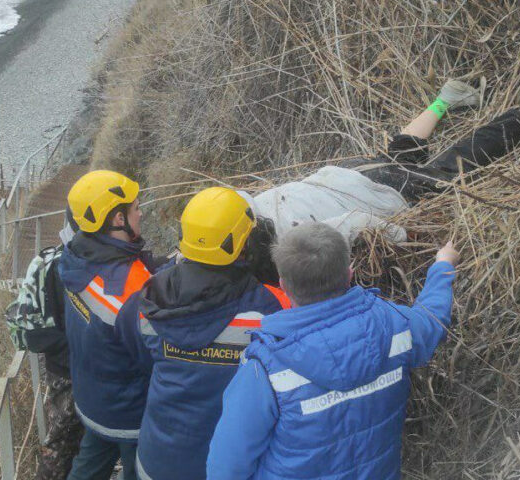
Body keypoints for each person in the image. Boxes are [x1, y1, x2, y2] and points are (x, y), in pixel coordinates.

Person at [207, 222, 460, 479]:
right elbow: (431, 321)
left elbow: (227, 466)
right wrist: (443, 266)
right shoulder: (395, 325)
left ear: (283, 284)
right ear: (350, 273)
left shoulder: (265, 369)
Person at [239, 79, 520, 282]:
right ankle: (446, 99)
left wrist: (405, 236)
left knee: (448, 172)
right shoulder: (238, 208)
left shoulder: (291, 243)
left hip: (375, 190)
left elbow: (357, 220)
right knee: (399, 156)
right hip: (342, 174)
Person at [116, 187, 291, 480]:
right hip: (228, 467)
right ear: (243, 243)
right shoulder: (274, 307)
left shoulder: (147, 298)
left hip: (158, 460)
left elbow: (134, 354)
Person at [59, 170, 166, 480]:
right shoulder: (131, 290)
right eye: (135, 208)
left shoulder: (74, 256)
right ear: (118, 219)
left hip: (93, 399)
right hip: (130, 414)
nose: (141, 213)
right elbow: (154, 358)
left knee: (87, 468)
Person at [5, 209, 84, 480]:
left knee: (63, 445)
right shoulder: (71, 265)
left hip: (60, 370)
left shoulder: (52, 260)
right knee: (64, 447)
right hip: (72, 371)